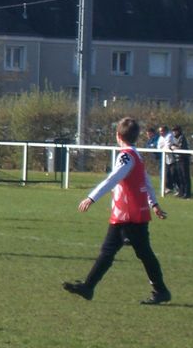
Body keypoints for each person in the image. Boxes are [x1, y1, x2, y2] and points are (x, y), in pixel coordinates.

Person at [63, 116, 171, 305]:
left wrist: (91, 197)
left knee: (134, 252)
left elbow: (112, 179)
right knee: (113, 252)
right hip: (129, 214)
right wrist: (154, 204)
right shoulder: (136, 155)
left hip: (129, 215)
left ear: (117, 135)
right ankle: (88, 287)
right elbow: (146, 182)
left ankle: (160, 290)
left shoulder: (126, 156)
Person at [171, 125, 191, 199]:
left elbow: (181, 147)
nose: (174, 132)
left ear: (179, 131)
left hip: (183, 159)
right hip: (177, 159)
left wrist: (174, 147)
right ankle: (181, 192)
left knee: (185, 177)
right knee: (179, 177)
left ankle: (187, 193)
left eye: (175, 131)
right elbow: (172, 145)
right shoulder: (174, 138)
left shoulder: (182, 137)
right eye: (173, 131)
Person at [157, 125, 177, 194]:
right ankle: (167, 188)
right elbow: (159, 147)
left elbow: (167, 146)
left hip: (173, 159)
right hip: (164, 158)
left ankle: (177, 188)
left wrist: (164, 147)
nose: (160, 133)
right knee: (166, 174)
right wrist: (164, 147)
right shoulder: (160, 138)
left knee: (173, 173)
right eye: (159, 131)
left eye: (162, 131)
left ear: (165, 131)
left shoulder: (169, 136)